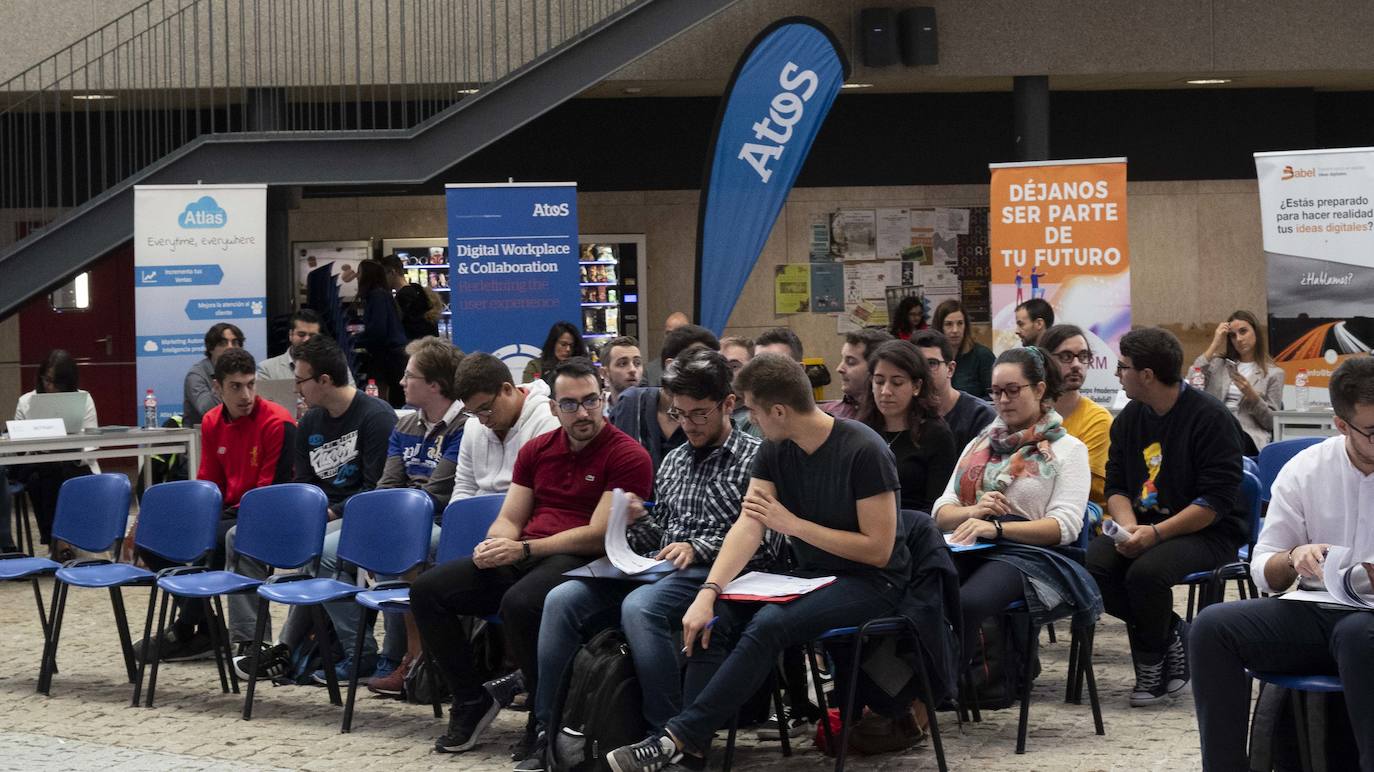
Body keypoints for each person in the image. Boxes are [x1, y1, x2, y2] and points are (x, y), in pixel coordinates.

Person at [604, 353, 910, 771]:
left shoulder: (863, 448)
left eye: (753, 410)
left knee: (769, 625)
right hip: (809, 576)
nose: (752, 420)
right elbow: (748, 527)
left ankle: (677, 737)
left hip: (873, 581)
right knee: (712, 621)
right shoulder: (775, 449)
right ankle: (689, 751)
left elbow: (878, 549)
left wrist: (794, 525)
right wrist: (709, 593)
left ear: (780, 411)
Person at [529, 348, 782, 769]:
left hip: (721, 572)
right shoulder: (676, 460)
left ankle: (667, 736)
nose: (688, 425)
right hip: (662, 568)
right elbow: (662, 529)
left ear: (729, 404)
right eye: (678, 414)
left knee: (640, 608)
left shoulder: (756, 457)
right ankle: (547, 731)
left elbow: (766, 539)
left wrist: (697, 547)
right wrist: (631, 522)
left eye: (699, 414)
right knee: (563, 598)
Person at [411, 357, 653, 755]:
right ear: (554, 408)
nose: (583, 412)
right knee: (428, 590)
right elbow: (510, 517)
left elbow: (596, 536)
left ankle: (543, 718)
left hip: (582, 560)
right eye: (571, 404)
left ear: (604, 400)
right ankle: (471, 700)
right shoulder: (538, 449)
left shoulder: (627, 455)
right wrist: (494, 544)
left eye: (591, 400)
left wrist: (523, 547)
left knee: (520, 603)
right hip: (530, 552)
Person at [1190, 356, 1374, 772]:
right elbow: (1264, 565)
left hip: (1365, 627)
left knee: (1358, 636)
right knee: (1212, 627)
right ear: (1342, 426)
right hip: (1316, 611)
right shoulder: (1307, 470)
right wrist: (1293, 559)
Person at [1087, 327, 1247, 707]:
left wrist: (1155, 535)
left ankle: (1151, 664)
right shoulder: (1129, 419)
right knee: (1094, 567)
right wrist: (1127, 527)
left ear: (1146, 375)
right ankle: (1172, 631)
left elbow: (1214, 502)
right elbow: (1117, 485)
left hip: (1208, 531)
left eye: (1122, 367)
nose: (1116, 374)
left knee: (1145, 574)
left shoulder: (1211, 418)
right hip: (1144, 525)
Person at [315, 336, 466, 693]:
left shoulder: (464, 427)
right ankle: (360, 652)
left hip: (441, 522)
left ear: (435, 385)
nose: (401, 382)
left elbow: (437, 493)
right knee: (323, 552)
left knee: (402, 551)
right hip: (400, 519)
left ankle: (406, 659)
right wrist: (386, 516)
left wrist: (395, 516)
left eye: (409, 376)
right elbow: (386, 484)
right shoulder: (405, 426)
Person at [934, 346, 1092, 663]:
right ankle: (914, 690)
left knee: (967, 602)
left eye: (1012, 390)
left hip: (1034, 557)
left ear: (1039, 389)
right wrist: (973, 511)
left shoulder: (1067, 449)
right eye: (995, 392)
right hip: (972, 545)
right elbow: (941, 511)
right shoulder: (981, 442)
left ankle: (941, 692)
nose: (1003, 401)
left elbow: (1064, 528)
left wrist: (997, 528)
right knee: (921, 591)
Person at [142, 348, 295, 661]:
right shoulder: (212, 421)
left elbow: (270, 495)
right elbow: (208, 485)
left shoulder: (278, 422)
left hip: (267, 512)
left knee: (212, 541)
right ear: (217, 388)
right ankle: (205, 625)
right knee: (152, 537)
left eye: (251, 384)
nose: (246, 394)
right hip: (228, 511)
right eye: (236, 387)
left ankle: (186, 629)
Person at [11, 349, 100, 551]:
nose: (49, 386)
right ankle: (60, 542)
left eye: (56, 382)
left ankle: (57, 541)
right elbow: (17, 443)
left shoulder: (84, 399)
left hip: (74, 460)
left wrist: (72, 452)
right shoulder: (26, 401)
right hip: (36, 462)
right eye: (46, 380)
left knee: (59, 473)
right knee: (45, 473)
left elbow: (91, 442)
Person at [858, 340, 958, 514]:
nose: (885, 391)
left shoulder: (936, 434)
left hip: (915, 529)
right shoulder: (861, 430)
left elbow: (936, 506)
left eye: (897, 383)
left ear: (917, 386)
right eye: (879, 381)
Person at [448, 353, 561, 503]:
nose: (482, 421)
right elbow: (464, 487)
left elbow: (544, 496)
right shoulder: (472, 425)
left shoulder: (548, 421)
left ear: (507, 389)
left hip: (525, 518)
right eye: (473, 413)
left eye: (485, 409)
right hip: (480, 517)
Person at [612, 324, 720, 471]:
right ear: (671, 366)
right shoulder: (631, 404)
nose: (704, 374)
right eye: (697, 364)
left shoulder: (711, 414)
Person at [1192, 309, 1284, 454]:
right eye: (1233, 336)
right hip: (1214, 429)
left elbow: (1272, 423)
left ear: (1256, 332)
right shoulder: (1218, 364)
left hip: (1246, 435)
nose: (1239, 339)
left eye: (1243, 331)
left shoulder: (1273, 374)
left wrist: (1253, 396)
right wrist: (1215, 343)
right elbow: (1192, 380)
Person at [1041, 324, 1112, 505]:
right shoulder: (1032, 413)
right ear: (1045, 361)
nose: (1076, 365)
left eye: (1083, 357)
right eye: (1066, 357)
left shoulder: (1097, 419)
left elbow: (1078, 487)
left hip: (1086, 517)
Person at [910, 330, 997, 452]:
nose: (924, 371)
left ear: (950, 369)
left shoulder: (979, 416)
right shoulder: (906, 414)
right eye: (918, 364)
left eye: (931, 364)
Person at [354, 260, 409, 406]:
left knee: (385, 399)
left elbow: (378, 331)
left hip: (388, 357)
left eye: (359, 273)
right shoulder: (382, 295)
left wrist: (357, 340)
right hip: (394, 355)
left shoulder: (376, 296)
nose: (357, 277)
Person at [256, 308, 354, 386]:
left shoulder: (336, 364)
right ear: (290, 335)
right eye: (301, 334)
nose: (306, 340)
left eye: (312, 335)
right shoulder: (267, 369)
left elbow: (349, 398)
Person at [821, 328, 894, 420]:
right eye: (842, 359)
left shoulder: (893, 418)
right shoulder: (829, 413)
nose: (839, 369)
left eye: (850, 362)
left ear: (876, 368)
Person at [184, 322, 243, 426]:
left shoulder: (244, 371)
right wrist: (222, 384)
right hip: (203, 436)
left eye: (235, 343)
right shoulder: (196, 375)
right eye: (223, 343)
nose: (230, 347)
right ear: (211, 348)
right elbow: (206, 410)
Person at [934, 299, 994, 399]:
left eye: (960, 323)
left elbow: (994, 395)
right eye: (948, 324)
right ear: (940, 327)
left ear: (966, 325)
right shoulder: (931, 357)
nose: (955, 330)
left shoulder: (982, 355)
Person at [380, 253, 441, 340]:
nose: (382, 280)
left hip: (415, 349)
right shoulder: (418, 291)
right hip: (427, 347)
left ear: (392, 272)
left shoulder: (403, 297)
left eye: (383, 275)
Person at [523, 320, 589, 388]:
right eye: (563, 344)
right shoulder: (535, 366)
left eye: (572, 346)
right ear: (552, 344)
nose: (568, 349)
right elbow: (528, 393)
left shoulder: (582, 367)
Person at [600, 335, 644, 418]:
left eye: (637, 363)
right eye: (623, 364)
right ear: (605, 373)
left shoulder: (654, 412)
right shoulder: (597, 416)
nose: (632, 369)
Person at [720, 336, 757, 435]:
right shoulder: (709, 414)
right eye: (720, 366)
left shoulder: (760, 419)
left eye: (734, 366)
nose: (725, 373)